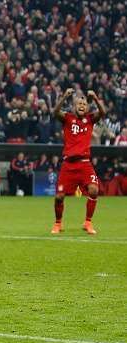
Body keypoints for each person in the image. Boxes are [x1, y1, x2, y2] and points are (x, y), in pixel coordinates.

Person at [51, 89, 106, 234]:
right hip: (68, 164)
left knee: (94, 190)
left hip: (84, 163)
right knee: (59, 197)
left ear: (87, 108)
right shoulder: (67, 118)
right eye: (79, 103)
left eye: (84, 104)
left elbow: (103, 113)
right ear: (74, 106)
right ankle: (58, 223)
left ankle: (88, 222)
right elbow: (55, 112)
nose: (82, 105)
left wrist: (94, 97)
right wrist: (64, 96)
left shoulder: (90, 119)